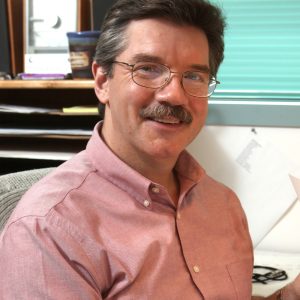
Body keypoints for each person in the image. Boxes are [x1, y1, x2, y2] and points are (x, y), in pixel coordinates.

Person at [0, 0, 299, 299]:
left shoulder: (223, 204)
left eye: (194, 76)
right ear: (103, 81)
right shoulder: (49, 231)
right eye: (148, 69)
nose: (174, 95)